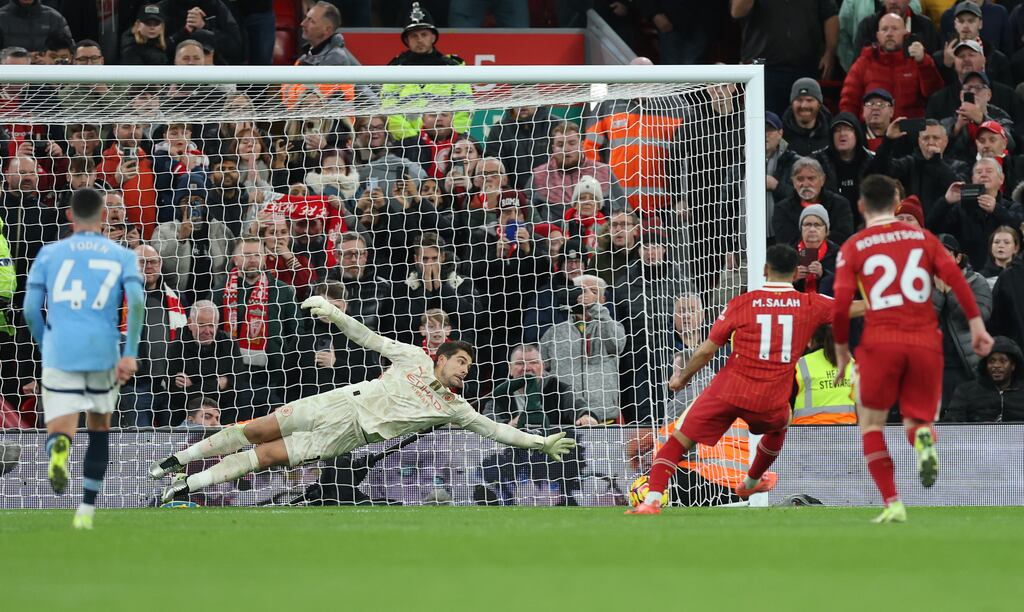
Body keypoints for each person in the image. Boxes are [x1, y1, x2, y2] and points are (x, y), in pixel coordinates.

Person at [150, 298, 576, 502]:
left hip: (346, 436)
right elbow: (368, 338)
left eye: (469, 366)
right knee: (255, 429)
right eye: (461, 361)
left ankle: (188, 485)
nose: (465, 370)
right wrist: (335, 315)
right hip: (339, 402)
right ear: (441, 357)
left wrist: (540, 443)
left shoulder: (456, 408)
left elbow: (498, 430)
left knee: (266, 456)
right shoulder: (413, 356)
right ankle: (180, 459)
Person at [628, 244, 861, 515]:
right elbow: (852, 308)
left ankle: (652, 500)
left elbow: (705, 351)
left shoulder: (742, 303)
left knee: (678, 441)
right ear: (796, 273)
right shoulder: (809, 304)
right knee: (781, 423)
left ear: (765, 270)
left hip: (728, 390)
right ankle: (751, 481)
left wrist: (682, 378)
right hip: (770, 396)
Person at [832, 174, 994, 523]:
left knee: (872, 424)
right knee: (917, 419)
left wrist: (842, 350)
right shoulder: (924, 239)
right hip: (925, 342)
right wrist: (978, 325)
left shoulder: (855, 246)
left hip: (880, 342)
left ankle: (892, 502)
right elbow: (956, 278)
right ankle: (924, 444)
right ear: (896, 205)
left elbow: (842, 302)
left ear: (860, 207)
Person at [23, 188, 145, 529]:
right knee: (99, 427)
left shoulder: (49, 254)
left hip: (60, 349)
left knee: (62, 426)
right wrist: (130, 354)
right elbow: (135, 303)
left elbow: (30, 309)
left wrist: (45, 342)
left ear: (69, 217)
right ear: (104, 217)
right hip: (103, 349)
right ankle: (86, 510)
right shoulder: (121, 255)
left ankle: (59, 448)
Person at [541, 274, 626, 423]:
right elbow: (541, 371)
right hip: (564, 418)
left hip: (604, 418)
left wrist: (594, 308)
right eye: (581, 291)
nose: (586, 296)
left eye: (593, 292)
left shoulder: (613, 327)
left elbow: (616, 345)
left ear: (603, 300)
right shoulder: (554, 333)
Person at [839, 12, 944, 120]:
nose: (889, 33)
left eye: (895, 29)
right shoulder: (863, 63)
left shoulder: (918, 61)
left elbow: (934, 95)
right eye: (884, 29)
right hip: (873, 131)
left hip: (910, 130)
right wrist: (852, 128)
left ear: (905, 34)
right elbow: (849, 102)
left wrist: (924, 63)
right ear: (878, 36)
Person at [946, 335, 1024, 421]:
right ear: (985, 365)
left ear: (1013, 365)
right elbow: (951, 425)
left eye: (1003, 361)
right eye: (992, 361)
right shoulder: (965, 391)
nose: (996, 366)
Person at [792, 325, 855, 424]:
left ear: (812, 340)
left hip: (805, 433)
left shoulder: (801, 364)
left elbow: (785, 401)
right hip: (847, 432)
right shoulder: (851, 363)